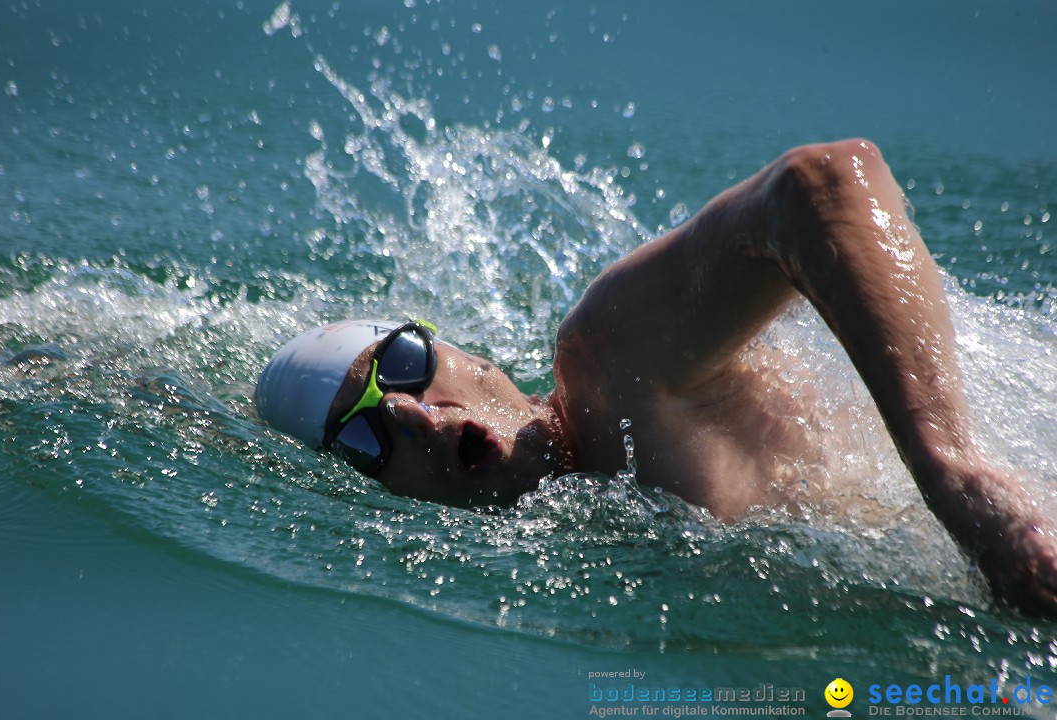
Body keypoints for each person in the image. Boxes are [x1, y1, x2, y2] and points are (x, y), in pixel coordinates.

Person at [255, 139, 1057, 616]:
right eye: (362, 437)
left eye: (404, 365)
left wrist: (951, 467)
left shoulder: (610, 362)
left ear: (470, 354)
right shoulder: (587, 583)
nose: (418, 417)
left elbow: (822, 183)